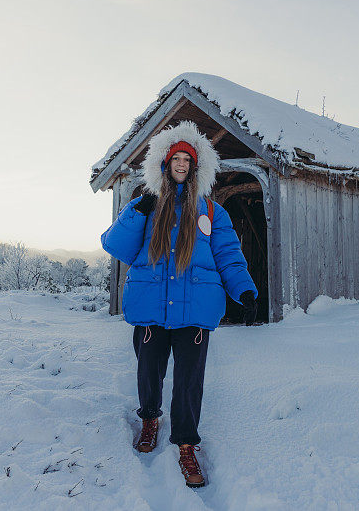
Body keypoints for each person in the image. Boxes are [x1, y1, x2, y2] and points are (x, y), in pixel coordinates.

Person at [100, 120, 258, 488]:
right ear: (164, 164)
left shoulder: (212, 212)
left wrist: (244, 290)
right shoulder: (146, 206)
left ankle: (187, 445)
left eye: (188, 159)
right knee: (148, 372)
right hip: (152, 307)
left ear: (197, 166)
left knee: (189, 383)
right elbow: (116, 246)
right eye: (176, 158)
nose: (182, 164)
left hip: (195, 310)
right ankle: (150, 418)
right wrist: (138, 210)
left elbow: (229, 256)